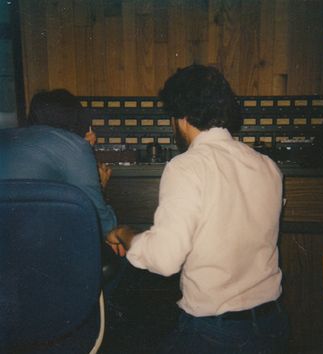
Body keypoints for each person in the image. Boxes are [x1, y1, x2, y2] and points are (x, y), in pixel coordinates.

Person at [107, 64, 289, 353]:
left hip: (215, 334)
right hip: (271, 326)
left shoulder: (186, 167)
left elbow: (164, 259)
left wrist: (125, 233)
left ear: (180, 117)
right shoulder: (268, 166)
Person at [0, 89, 120, 252]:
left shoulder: (8, 137)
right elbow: (99, 220)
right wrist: (101, 187)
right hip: (36, 247)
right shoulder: (73, 145)